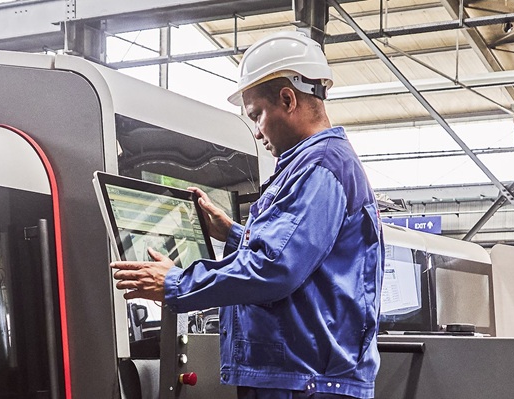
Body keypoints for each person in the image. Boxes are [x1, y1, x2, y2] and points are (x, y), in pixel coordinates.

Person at [111, 31, 384, 399]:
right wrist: (233, 234)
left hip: (304, 384)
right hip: (299, 379)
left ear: (287, 99)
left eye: (257, 115)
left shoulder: (320, 167)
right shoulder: (315, 165)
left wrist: (176, 283)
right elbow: (301, 256)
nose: (257, 132)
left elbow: (274, 268)